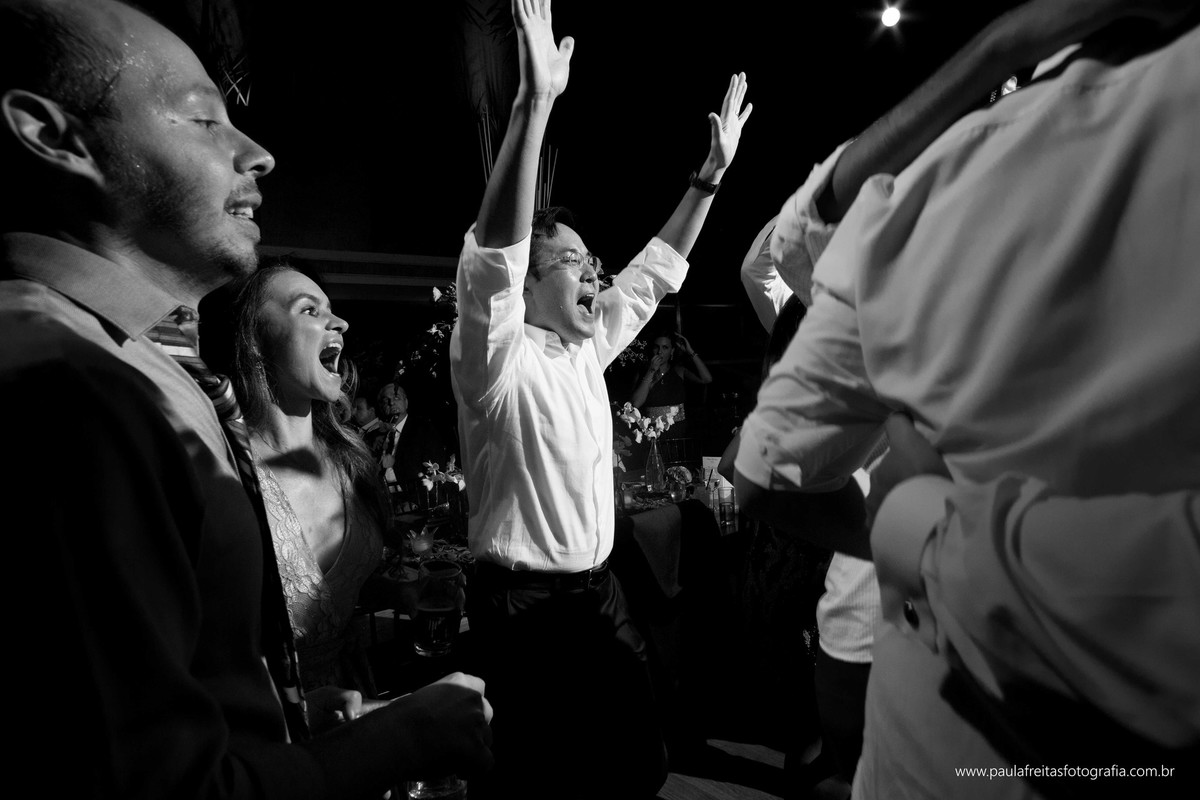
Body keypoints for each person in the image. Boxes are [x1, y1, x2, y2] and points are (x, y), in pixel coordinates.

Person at [0, 0, 492, 795]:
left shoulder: (137, 366)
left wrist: (282, 718)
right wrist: (402, 739)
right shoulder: (66, 383)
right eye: (203, 119)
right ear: (56, 137)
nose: (259, 154)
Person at [736, 2, 1200, 798]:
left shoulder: (934, 188)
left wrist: (916, 519)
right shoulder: (945, 178)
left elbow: (766, 466)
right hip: (890, 673)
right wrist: (1000, 51)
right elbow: (784, 251)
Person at [449, 1, 750, 797]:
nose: (593, 274)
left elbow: (652, 275)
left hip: (598, 592)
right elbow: (494, 260)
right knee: (542, 779)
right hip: (523, 607)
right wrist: (533, 104)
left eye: (592, 263)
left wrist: (709, 178)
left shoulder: (585, 346)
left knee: (640, 764)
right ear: (529, 286)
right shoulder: (496, 358)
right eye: (573, 264)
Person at [221, 262, 389, 710]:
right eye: (309, 310)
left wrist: (396, 591)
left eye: (331, 309)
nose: (340, 323)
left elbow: (336, 600)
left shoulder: (352, 458)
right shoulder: (226, 470)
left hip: (361, 699)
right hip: (268, 722)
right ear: (256, 341)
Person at [629, 328, 711, 443]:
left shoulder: (679, 370)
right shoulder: (644, 372)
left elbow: (706, 379)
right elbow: (636, 403)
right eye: (656, 347)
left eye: (665, 347)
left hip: (679, 431)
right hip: (652, 433)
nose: (660, 352)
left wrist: (690, 351)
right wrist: (651, 371)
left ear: (672, 351)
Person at [374, 381, 450, 503]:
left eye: (396, 397)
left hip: (418, 501)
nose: (391, 403)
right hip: (386, 502)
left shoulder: (423, 429)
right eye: (386, 401)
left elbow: (434, 472)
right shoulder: (380, 436)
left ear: (406, 402)